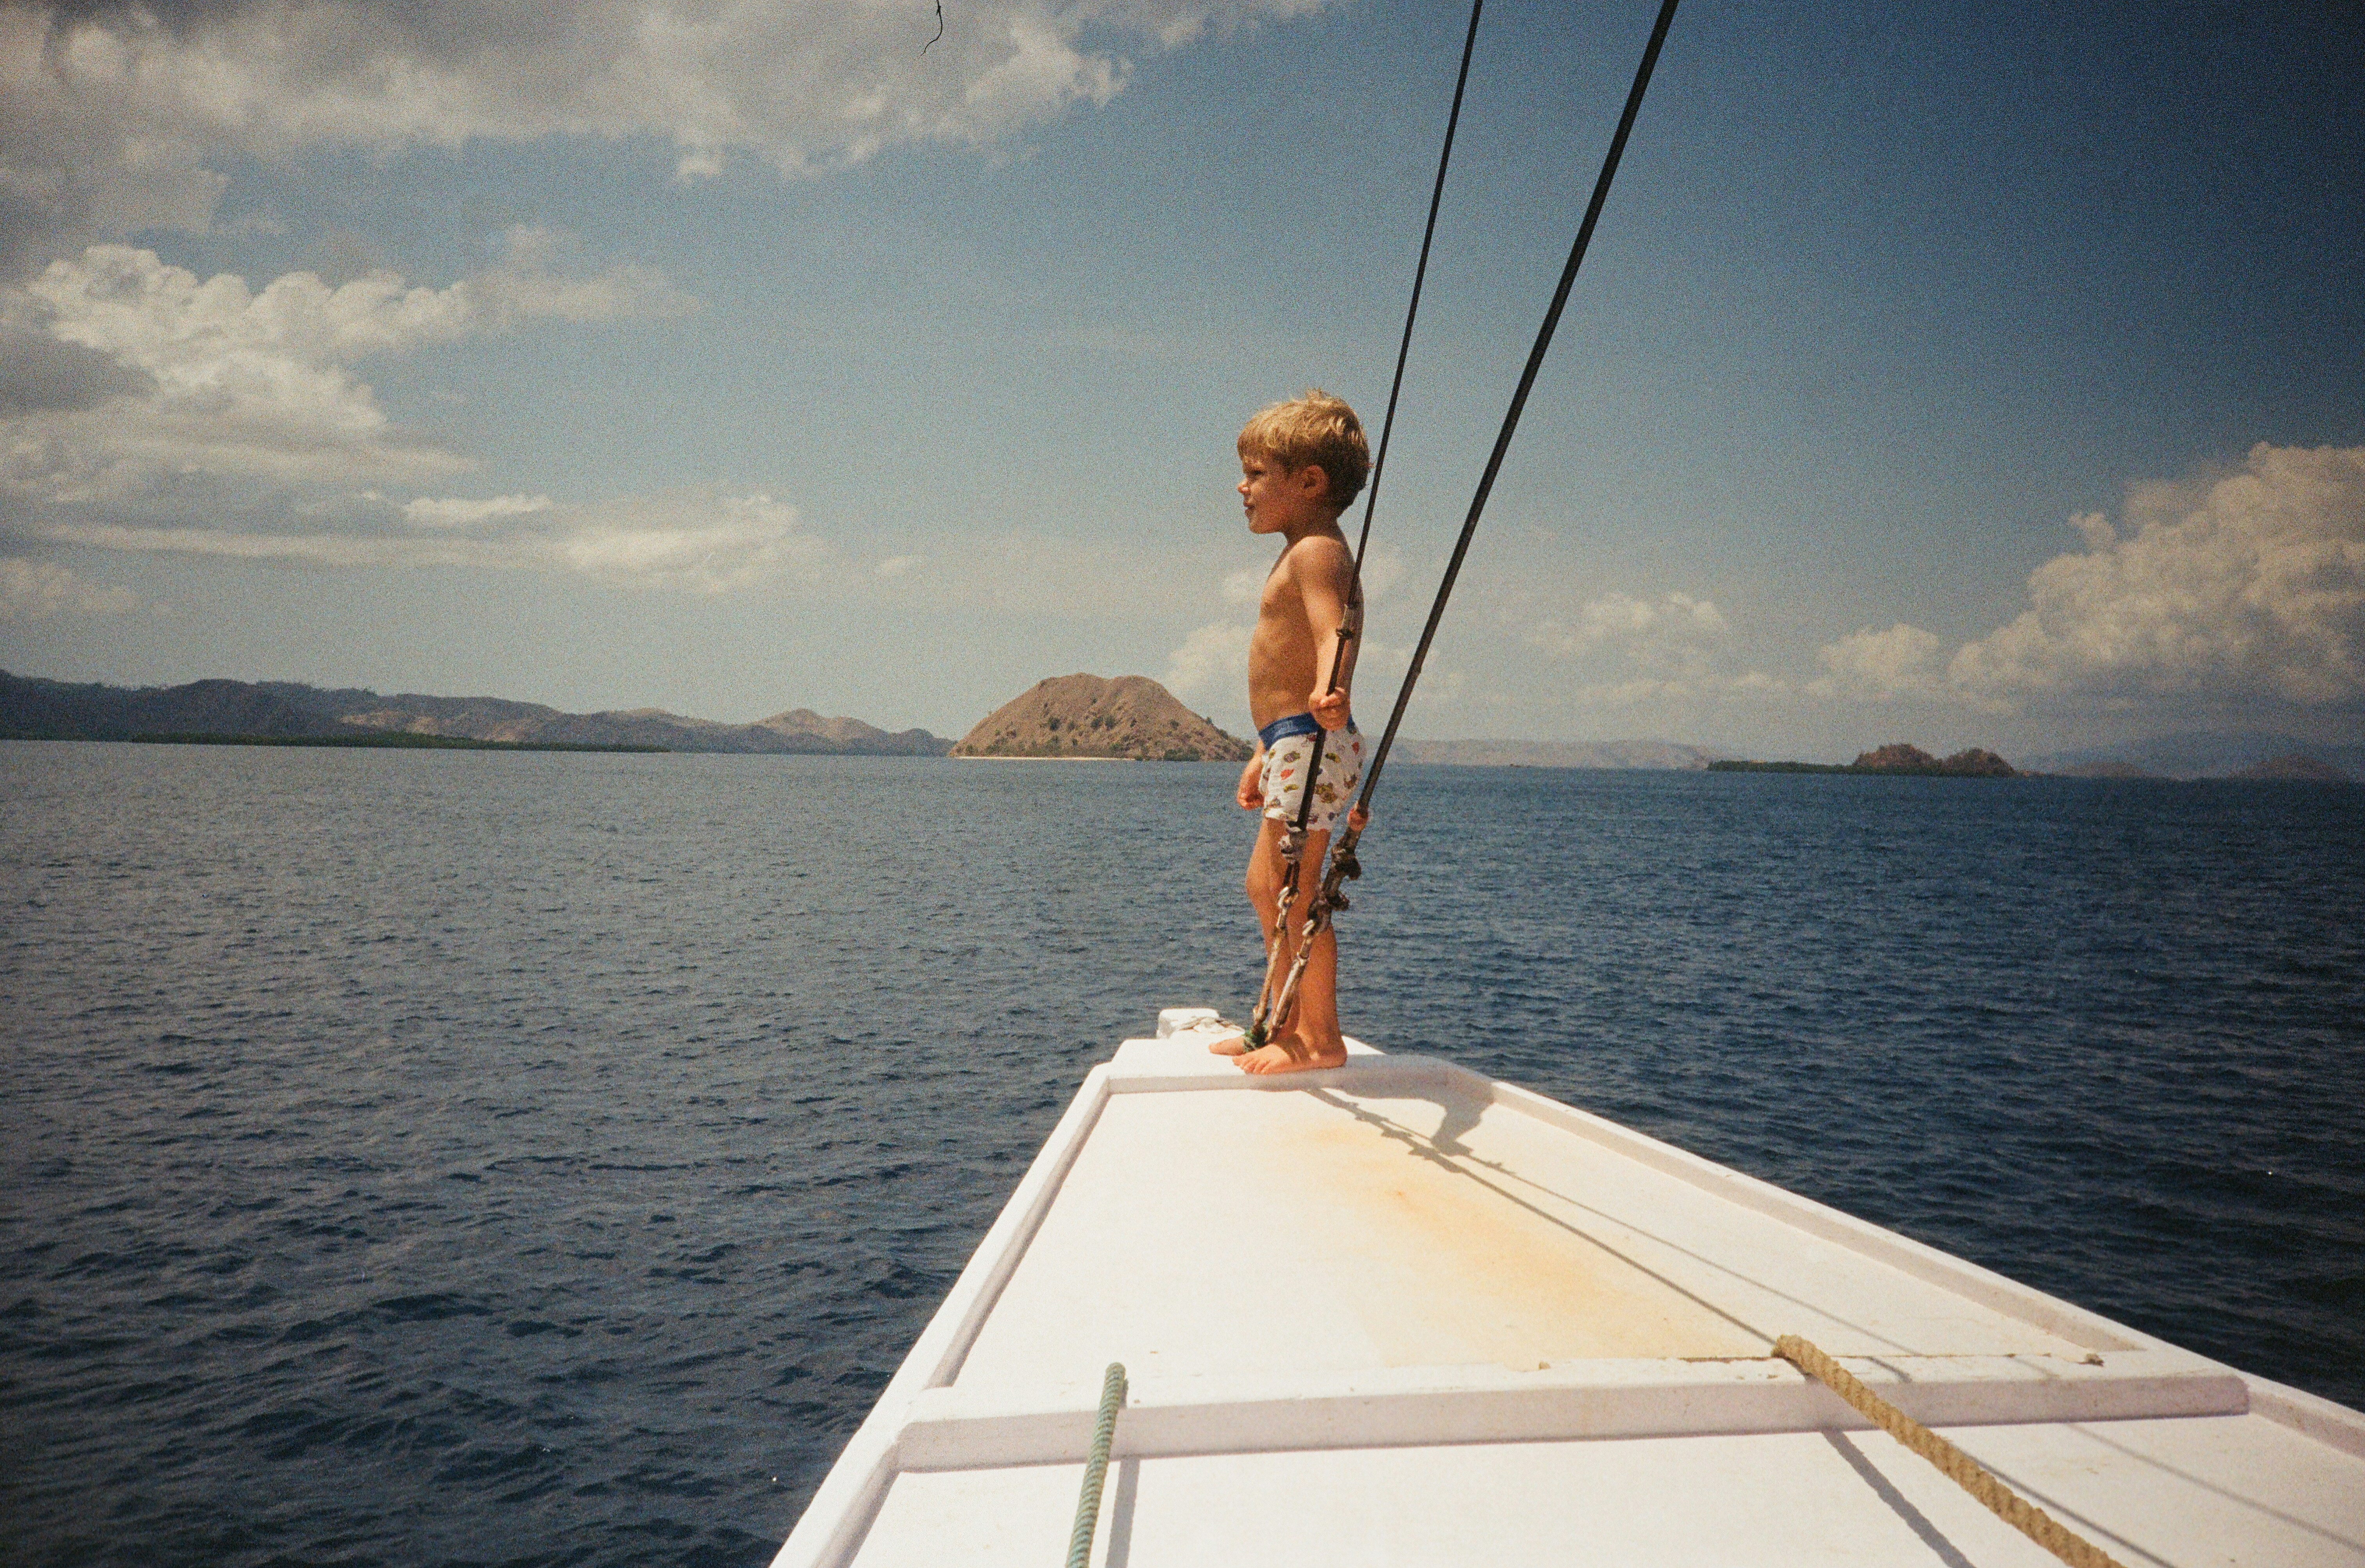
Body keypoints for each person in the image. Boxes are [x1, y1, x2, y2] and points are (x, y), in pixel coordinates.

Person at [1210, 390, 1371, 1074]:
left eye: (1255, 473)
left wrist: (1332, 689)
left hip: (1312, 735)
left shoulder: (1317, 553)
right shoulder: (1298, 550)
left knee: (1296, 891)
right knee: (1264, 883)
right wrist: (1262, 749)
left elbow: (1336, 625)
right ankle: (1277, 1024)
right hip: (1291, 740)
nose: (1240, 487)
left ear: (1309, 482)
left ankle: (1320, 1038)